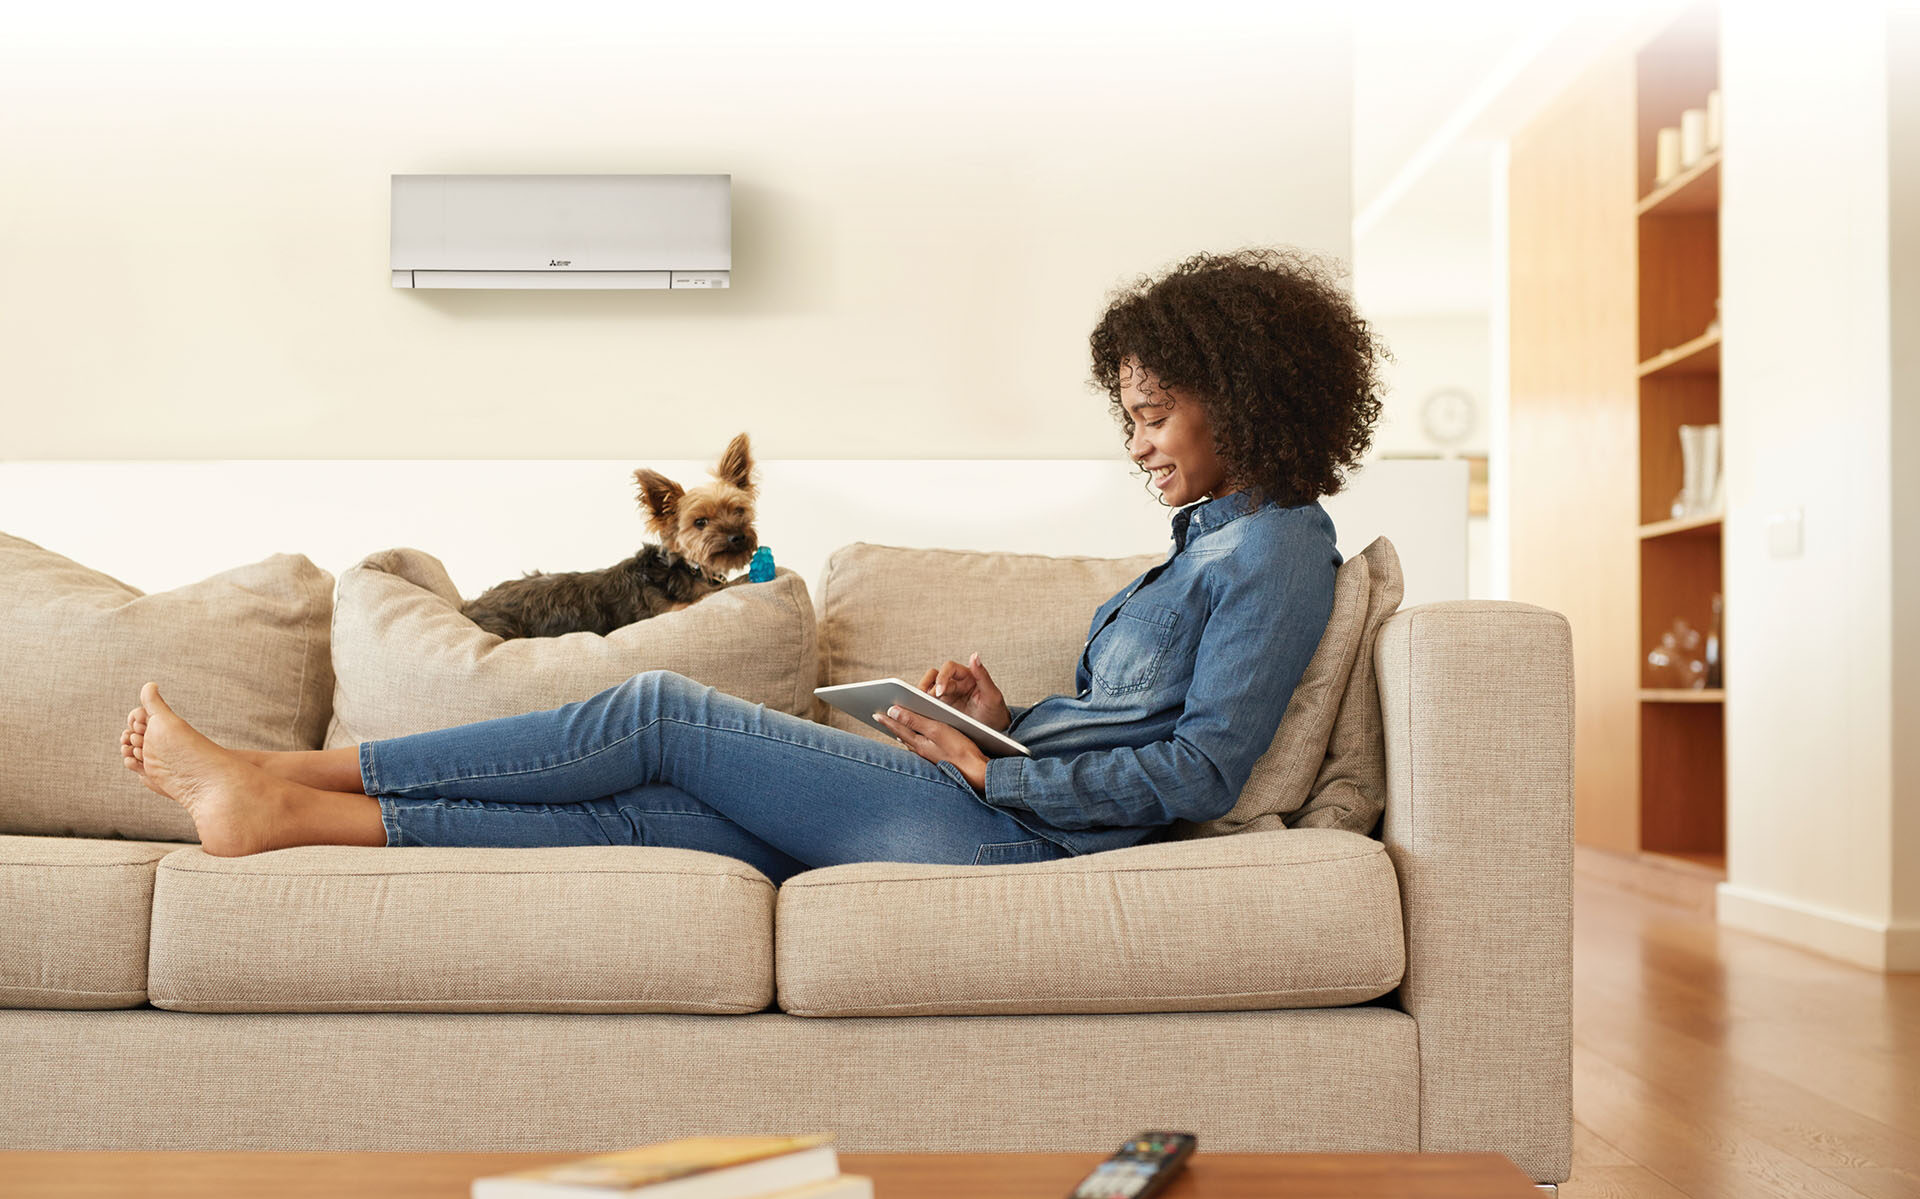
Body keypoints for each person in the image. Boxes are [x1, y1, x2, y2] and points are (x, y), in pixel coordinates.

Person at [119, 246, 1385, 883]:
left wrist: (995, 782)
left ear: (1246, 391)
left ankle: (280, 765)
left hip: (1016, 841)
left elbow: (1200, 769)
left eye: (1156, 411)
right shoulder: (1204, 547)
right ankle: (284, 815)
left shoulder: (1279, 547)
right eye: (1129, 417)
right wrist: (1000, 726)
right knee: (654, 822)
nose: (1139, 441)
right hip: (999, 800)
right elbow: (1130, 724)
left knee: (657, 710)